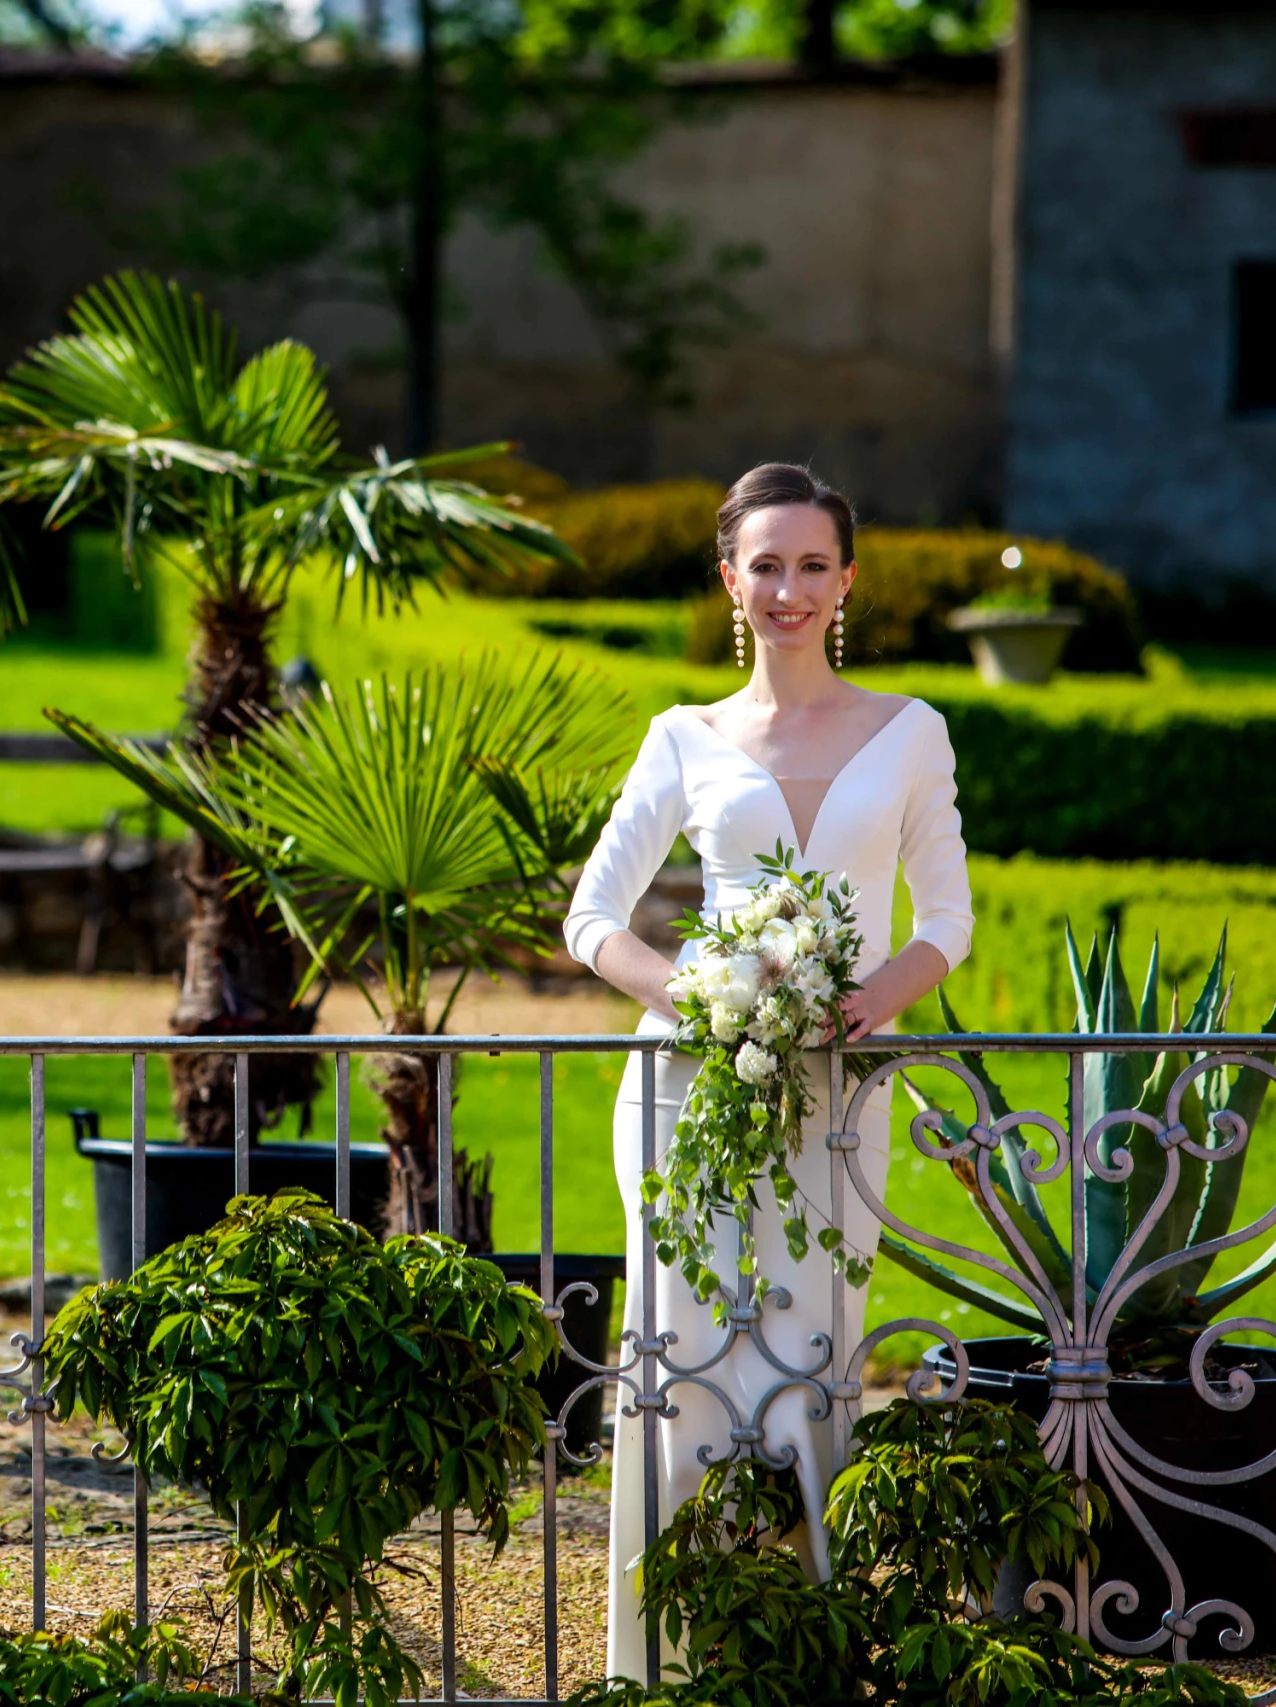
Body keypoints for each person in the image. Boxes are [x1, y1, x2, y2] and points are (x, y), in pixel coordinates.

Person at [562, 461, 973, 1680]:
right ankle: (664, 1657)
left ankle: (803, 1649)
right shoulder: (680, 738)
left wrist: (865, 1004)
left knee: (810, 1351)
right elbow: (592, 920)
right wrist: (692, 998)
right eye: (764, 565)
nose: (787, 589)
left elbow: (945, 921)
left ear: (846, 581)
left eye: (810, 565)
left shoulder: (910, 731)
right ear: (728, 580)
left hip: (835, 1094)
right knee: (681, 1350)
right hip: (684, 1088)